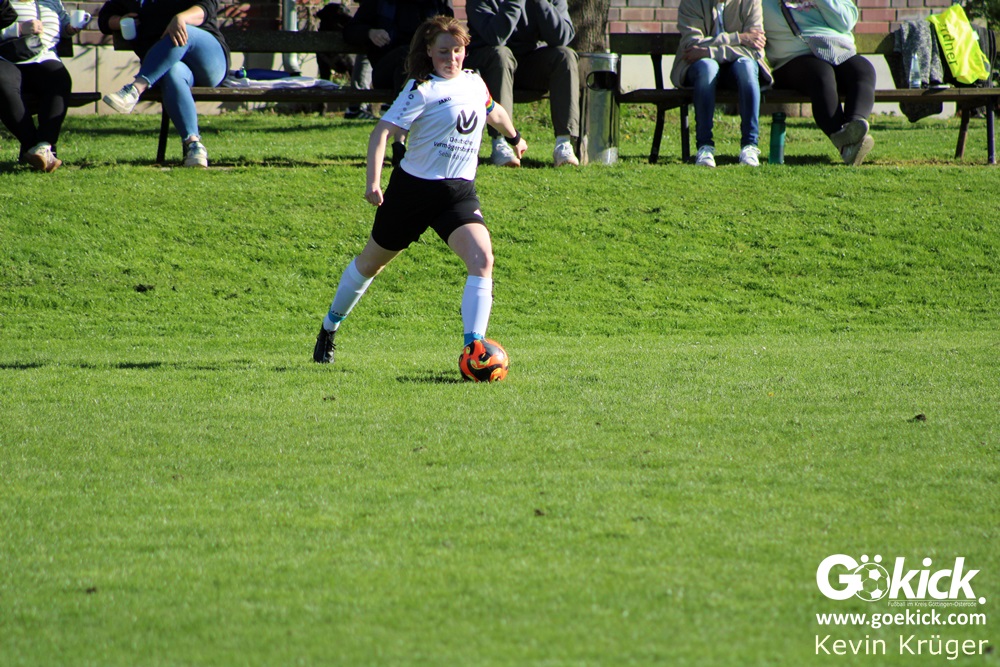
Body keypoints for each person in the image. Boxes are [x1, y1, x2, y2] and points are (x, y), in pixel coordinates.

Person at [313, 15, 526, 364]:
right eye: (443, 51)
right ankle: (329, 328)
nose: (451, 58)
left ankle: (474, 350)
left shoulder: (474, 82)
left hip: (457, 195)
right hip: (411, 194)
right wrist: (373, 183)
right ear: (429, 51)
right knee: (369, 265)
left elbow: (494, 112)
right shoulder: (421, 89)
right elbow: (381, 133)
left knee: (482, 259)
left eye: (457, 50)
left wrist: (515, 138)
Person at [97, 0, 230, 168]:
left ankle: (136, 88)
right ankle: (194, 145)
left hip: (207, 58)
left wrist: (181, 18)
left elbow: (207, 7)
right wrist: (121, 21)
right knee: (173, 72)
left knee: (182, 29)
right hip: (168, 65)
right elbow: (104, 18)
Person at [463, 0, 579, 167]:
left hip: (529, 66)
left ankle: (564, 144)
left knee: (565, 56)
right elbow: (495, 37)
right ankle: (501, 143)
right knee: (501, 54)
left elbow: (562, 37)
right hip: (491, 70)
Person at [761, 0, 875, 165]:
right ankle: (845, 142)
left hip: (837, 50)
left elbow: (846, 22)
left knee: (863, 70)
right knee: (821, 74)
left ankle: (854, 130)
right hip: (792, 58)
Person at [670, 0, 771, 167]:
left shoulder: (751, 2)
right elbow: (692, 45)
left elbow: (755, 49)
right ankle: (704, 147)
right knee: (708, 67)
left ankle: (750, 146)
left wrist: (709, 51)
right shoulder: (691, 2)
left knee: (746, 66)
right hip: (698, 69)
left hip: (736, 68)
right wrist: (739, 38)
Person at [0, 0, 80, 171]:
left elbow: (63, 25)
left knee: (59, 80)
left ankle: (43, 146)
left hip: (43, 57)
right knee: (2, 82)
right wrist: (19, 29)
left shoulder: (52, 1)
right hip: (5, 58)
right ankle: (34, 147)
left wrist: (70, 28)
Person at [343, 0, 453, 94]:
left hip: (428, 64)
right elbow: (349, 31)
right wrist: (370, 32)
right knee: (406, 55)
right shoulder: (379, 2)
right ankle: (407, 110)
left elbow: (451, 30)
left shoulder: (437, 3)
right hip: (388, 69)